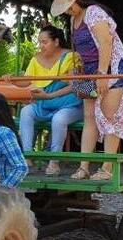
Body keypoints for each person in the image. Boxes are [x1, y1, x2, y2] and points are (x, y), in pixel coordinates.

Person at [51, 0, 123, 181]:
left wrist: (102, 74)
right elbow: (80, 50)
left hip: (112, 69)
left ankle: (107, 168)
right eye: (64, 8)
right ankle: (84, 167)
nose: (68, 10)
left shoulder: (94, 12)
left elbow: (106, 43)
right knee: (89, 116)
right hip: (87, 72)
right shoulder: (73, 21)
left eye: (69, 5)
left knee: (109, 115)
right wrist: (77, 68)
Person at [15, 25, 84, 176]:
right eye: (39, 42)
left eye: (44, 42)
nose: (41, 46)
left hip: (70, 105)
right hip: (45, 104)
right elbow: (26, 81)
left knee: (59, 119)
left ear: (56, 42)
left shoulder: (72, 57)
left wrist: (49, 96)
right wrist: (12, 80)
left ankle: (54, 162)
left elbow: (75, 86)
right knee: (26, 111)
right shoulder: (36, 58)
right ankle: (27, 157)